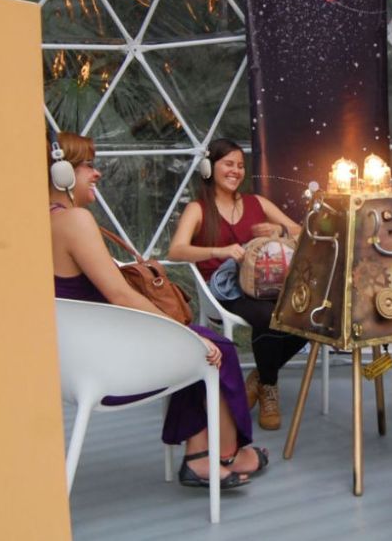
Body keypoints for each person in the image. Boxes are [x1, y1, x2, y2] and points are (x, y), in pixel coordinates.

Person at [48, 132, 268, 490]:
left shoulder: (42, 221)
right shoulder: (75, 221)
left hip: (75, 362)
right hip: (106, 367)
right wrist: (178, 332)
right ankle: (227, 453)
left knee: (198, 343)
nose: (96, 173)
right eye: (88, 165)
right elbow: (119, 294)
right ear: (62, 173)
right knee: (214, 350)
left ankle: (199, 455)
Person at [168, 138, 305, 431]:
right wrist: (220, 251)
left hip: (264, 283)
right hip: (223, 289)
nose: (236, 171)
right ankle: (270, 389)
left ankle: (259, 378)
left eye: (240, 165)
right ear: (209, 168)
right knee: (268, 317)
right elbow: (176, 250)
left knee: (309, 314)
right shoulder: (198, 208)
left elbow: (300, 231)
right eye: (228, 164)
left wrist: (279, 229)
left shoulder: (257, 203)